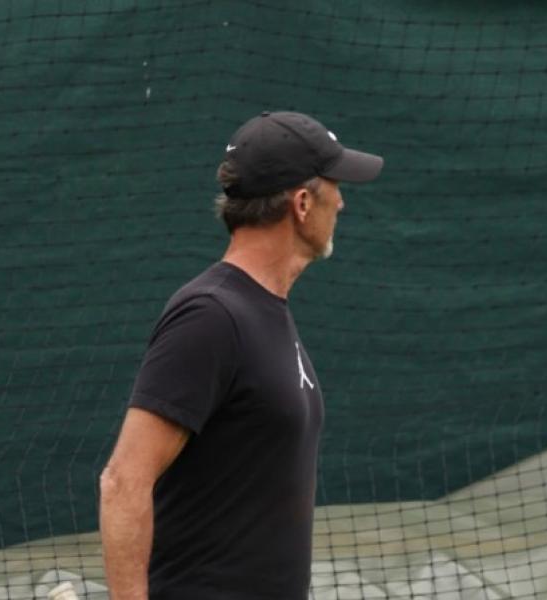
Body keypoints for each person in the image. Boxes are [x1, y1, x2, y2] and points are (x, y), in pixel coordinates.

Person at [98, 111, 383, 599]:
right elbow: (123, 482)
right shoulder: (211, 317)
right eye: (335, 185)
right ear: (301, 203)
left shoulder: (265, 312)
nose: (343, 200)